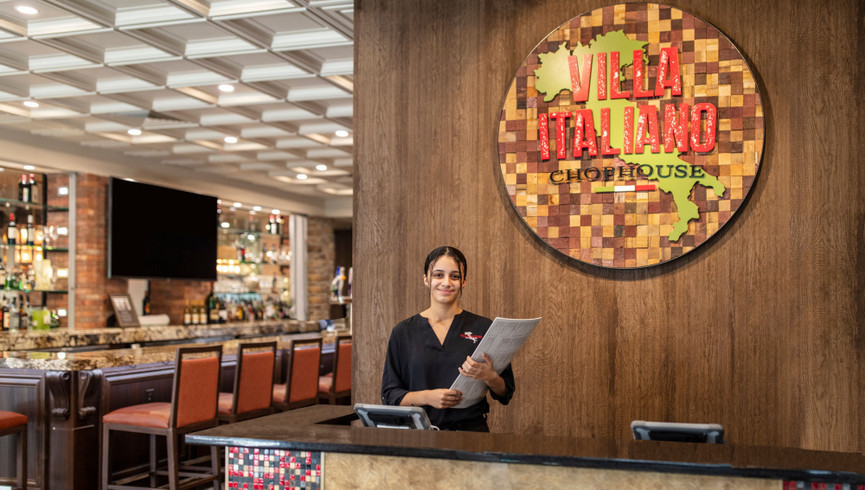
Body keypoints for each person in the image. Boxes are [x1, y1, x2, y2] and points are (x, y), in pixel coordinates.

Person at [380, 246, 515, 431]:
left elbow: (505, 392)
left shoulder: (484, 327)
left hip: (471, 435)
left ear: (464, 281)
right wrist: (427, 397)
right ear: (426, 279)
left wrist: (490, 376)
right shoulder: (403, 332)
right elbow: (389, 395)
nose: (446, 282)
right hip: (418, 436)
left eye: (455, 276)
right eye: (438, 275)